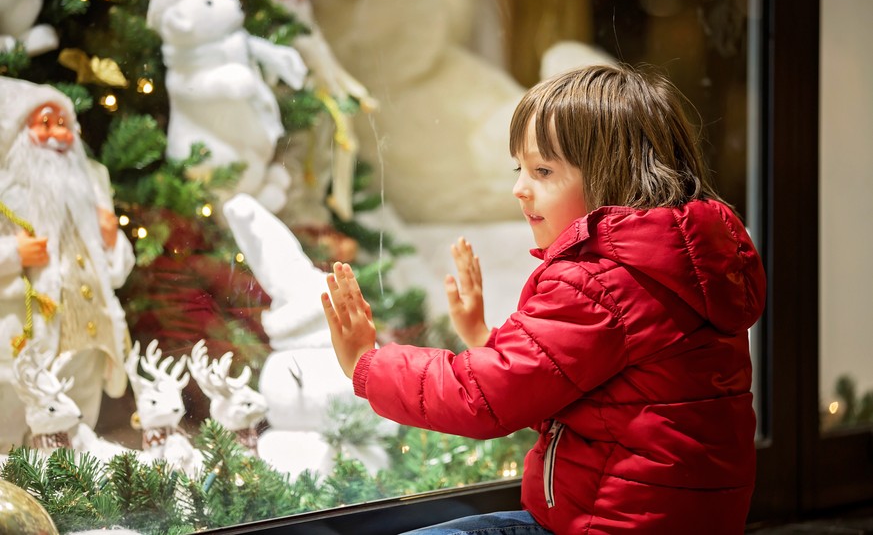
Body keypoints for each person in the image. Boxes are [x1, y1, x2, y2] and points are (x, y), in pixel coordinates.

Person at [320, 63, 766, 534]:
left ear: (610, 175)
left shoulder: (603, 283)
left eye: (543, 170)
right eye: (520, 168)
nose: (519, 188)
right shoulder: (675, 263)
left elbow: (485, 397)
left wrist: (367, 364)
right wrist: (484, 337)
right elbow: (583, 386)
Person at [0, 76, 135, 453]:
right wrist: (14, 253)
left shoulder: (90, 185)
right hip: (24, 338)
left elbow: (118, 271)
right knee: (13, 431)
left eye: (63, 124)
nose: (57, 134)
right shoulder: (7, 191)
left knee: (76, 427)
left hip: (90, 344)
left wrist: (111, 243)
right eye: (44, 124)